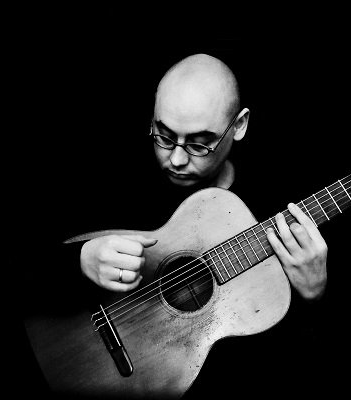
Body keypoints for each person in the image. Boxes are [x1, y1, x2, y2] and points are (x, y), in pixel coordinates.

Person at [79, 53, 328, 302]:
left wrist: (314, 291)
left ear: (239, 125)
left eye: (198, 145)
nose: (176, 159)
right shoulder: (110, 174)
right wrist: (81, 260)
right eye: (164, 137)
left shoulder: (279, 202)